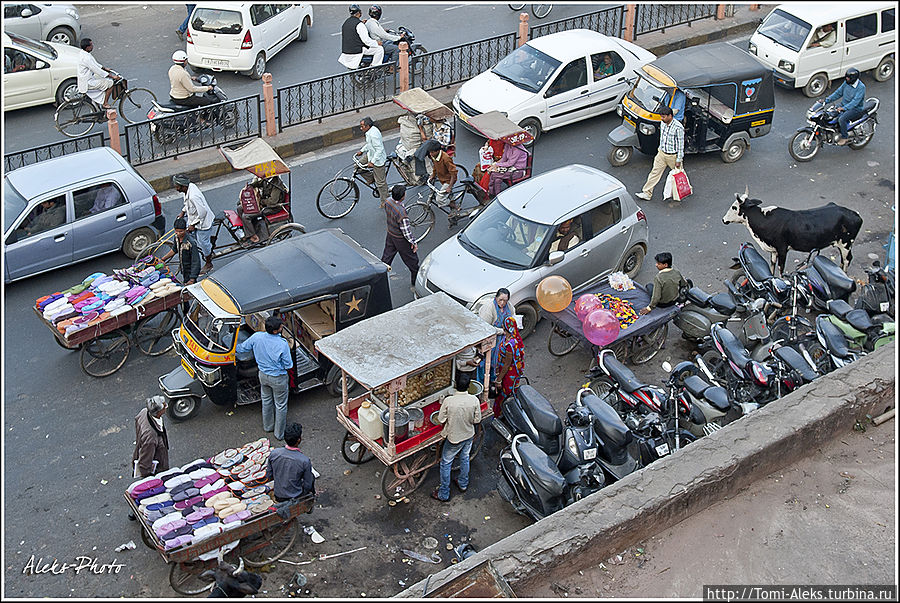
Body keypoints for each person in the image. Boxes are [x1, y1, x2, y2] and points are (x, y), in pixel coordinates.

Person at [236, 316, 294, 442]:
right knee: (280, 405)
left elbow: (242, 348)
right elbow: (289, 365)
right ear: (275, 331)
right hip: (278, 378)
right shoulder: (282, 344)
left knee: (266, 401)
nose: (282, 328)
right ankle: (279, 434)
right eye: (281, 327)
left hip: (262, 375)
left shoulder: (257, 337)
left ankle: (268, 427)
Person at [432, 372, 481, 502]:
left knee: (446, 463)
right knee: (465, 458)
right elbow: (477, 420)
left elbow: (441, 419)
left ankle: (443, 493)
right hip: (468, 435)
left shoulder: (449, 401)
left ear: (455, 385)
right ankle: (463, 483)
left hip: (454, 438)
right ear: (468, 386)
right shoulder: (474, 400)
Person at [634, 105, 684, 202]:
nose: (662, 118)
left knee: (679, 175)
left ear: (670, 116)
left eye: (664, 116)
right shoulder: (663, 123)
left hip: (672, 156)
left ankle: (683, 191)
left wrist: (679, 159)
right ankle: (647, 193)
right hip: (661, 154)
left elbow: (681, 145)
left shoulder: (678, 128)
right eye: (661, 116)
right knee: (654, 173)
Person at [173, 174, 215, 273]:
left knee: (203, 243)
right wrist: (183, 212)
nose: (176, 188)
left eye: (177, 186)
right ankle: (210, 244)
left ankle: (209, 263)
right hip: (194, 218)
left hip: (203, 223)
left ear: (183, 186)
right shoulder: (187, 189)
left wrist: (193, 225)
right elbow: (187, 204)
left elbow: (203, 212)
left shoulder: (193, 196)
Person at [381, 185, 420, 290]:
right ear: (402, 196)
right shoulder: (402, 213)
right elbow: (406, 232)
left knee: (386, 257)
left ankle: (380, 276)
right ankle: (414, 282)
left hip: (391, 233)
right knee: (413, 261)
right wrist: (413, 242)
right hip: (400, 239)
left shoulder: (388, 201)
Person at [265, 422, 316, 502]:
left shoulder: (274, 453)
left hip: (278, 494)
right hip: (295, 496)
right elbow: (307, 485)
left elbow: (269, 474)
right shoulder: (304, 461)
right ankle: (308, 501)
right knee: (311, 477)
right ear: (299, 440)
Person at [477, 288, 516, 383]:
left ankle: (494, 379)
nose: (502, 303)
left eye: (505, 301)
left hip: (502, 340)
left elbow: (513, 315)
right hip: (490, 339)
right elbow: (485, 327)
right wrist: (502, 331)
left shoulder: (509, 306)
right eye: (500, 300)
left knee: (500, 361)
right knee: (486, 361)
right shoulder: (489, 308)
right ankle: (483, 381)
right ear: (496, 298)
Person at [492, 316, 525, 418]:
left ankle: (503, 415)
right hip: (503, 370)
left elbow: (507, 364)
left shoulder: (510, 345)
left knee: (505, 395)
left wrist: (499, 379)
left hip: (509, 373)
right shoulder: (508, 338)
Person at [237, 178, 286, 244]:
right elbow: (258, 183)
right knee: (240, 208)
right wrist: (250, 186)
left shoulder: (277, 184)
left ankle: (254, 236)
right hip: (264, 204)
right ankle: (249, 231)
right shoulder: (266, 180)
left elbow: (273, 201)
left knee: (245, 216)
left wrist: (260, 202)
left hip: (272, 207)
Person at [826, 68, 866, 145]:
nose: (846, 79)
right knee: (830, 113)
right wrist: (826, 100)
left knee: (842, 119)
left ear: (853, 79)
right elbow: (838, 93)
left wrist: (844, 108)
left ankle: (845, 137)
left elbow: (855, 102)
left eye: (848, 78)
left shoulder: (861, 87)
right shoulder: (846, 83)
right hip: (844, 105)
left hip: (856, 109)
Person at [133, 396, 170, 479]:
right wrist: (148, 477)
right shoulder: (151, 437)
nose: (166, 407)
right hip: (158, 465)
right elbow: (145, 461)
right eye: (165, 406)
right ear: (159, 412)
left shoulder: (144, 412)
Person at [77, 38, 120, 109]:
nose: (92, 46)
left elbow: (95, 64)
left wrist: (105, 68)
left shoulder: (83, 53)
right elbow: (96, 70)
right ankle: (105, 103)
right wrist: (113, 77)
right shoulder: (86, 58)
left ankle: (98, 104)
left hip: (87, 79)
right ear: (87, 47)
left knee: (103, 80)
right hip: (87, 82)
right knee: (110, 83)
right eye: (91, 45)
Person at [338, 4, 384, 70]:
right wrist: (376, 43)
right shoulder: (359, 25)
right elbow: (366, 41)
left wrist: (361, 23)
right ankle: (374, 68)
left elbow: (353, 31)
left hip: (346, 50)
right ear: (359, 13)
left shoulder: (346, 22)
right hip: (356, 50)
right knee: (379, 49)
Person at [356, 116, 389, 204]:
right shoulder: (369, 132)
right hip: (370, 154)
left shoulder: (374, 134)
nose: (361, 128)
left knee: (381, 183)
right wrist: (362, 151)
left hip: (377, 159)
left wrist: (372, 162)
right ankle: (371, 178)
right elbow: (369, 144)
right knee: (357, 166)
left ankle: (386, 201)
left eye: (362, 126)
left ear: (368, 126)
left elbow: (379, 149)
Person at [159, 217, 202, 285]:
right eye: (176, 231)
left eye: (181, 231)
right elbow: (174, 250)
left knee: (189, 286)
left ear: (185, 230)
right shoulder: (176, 237)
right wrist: (163, 259)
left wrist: (192, 279)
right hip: (183, 268)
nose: (178, 233)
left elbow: (196, 262)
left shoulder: (191, 243)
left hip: (190, 271)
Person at [427, 144, 459, 218]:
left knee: (439, 199)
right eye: (430, 152)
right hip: (442, 177)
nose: (430, 154)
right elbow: (435, 166)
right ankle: (451, 198)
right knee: (447, 193)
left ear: (438, 151)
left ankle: (453, 206)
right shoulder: (434, 156)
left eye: (432, 152)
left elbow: (453, 173)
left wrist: (450, 186)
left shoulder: (446, 158)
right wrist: (433, 175)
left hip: (448, 180)